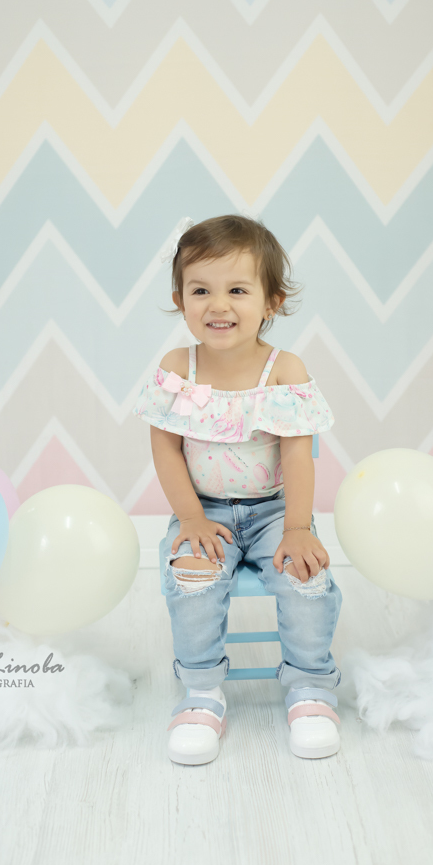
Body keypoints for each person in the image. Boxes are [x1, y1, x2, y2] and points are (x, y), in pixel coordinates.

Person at [133, 215, 343, 765]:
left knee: (305, 579)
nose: (218, 305)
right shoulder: (178, 367)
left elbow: (297, 454)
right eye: (201, 290)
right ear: (180, 300)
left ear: (272, 301)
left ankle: (310, 685)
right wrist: (191, 519)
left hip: (275, 511)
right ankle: (201, 691)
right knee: (193, 579)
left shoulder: (283, 369)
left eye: (238, 291)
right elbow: (166, 450)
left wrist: (297, 527)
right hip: (202, 509)